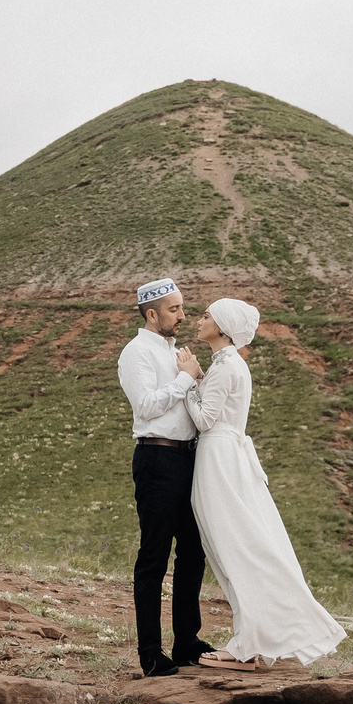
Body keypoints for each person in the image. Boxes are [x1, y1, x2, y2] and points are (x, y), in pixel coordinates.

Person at [184, 297, 348, 668]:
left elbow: (205, 420)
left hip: (218, 458)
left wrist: (189, 380)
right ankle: (255, 637)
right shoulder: (230, 364)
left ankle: (250, 643)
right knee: (236, 547)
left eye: (206, 315)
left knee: (234, 548)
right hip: (226, 456)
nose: (199, 319)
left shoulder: (226, 367)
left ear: (223, 328)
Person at [120, 277, 218, 678]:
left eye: (183, 308)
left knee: (194, 551)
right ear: (152, 313)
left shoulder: (177, 352)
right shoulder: (135, 353)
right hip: (156, 459)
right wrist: (184, 379)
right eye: (175, 310)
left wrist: (192, 378)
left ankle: (186, 642)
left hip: (187, 460)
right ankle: (150, 652)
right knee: (154, 556)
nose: (183, 316)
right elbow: (145, 407)